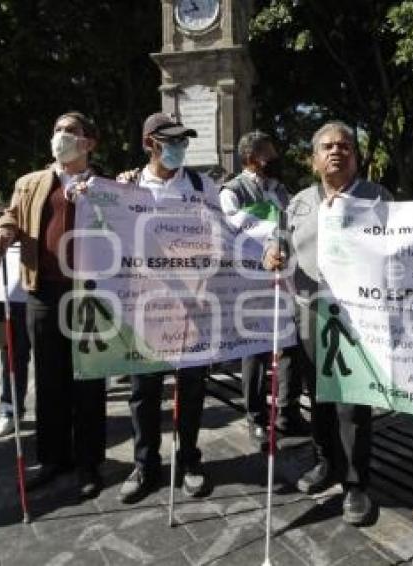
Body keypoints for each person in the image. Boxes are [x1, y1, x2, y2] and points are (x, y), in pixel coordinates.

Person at [264, 121, 392, 526]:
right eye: (327, 147)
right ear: (313, 158)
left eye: (345, 146)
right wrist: (273, 253)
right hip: (308, 312)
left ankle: (356, 484)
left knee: (351, 403)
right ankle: (325, 463)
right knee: (317, 397)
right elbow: (279, 241)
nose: (337, 151)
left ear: (355, 155)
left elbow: (403, 244)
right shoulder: (299, 202)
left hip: (357, 316)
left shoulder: (378, 198)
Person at [0, 111, 107, 499]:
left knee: (89, 379)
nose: (62, 136)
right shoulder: (30, 182)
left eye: (71, 131)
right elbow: (10, 216)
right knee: (50, 378)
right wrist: (1, 232)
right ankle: (53, 459)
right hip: (42, 291)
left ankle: (88, 463)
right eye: (58, 130)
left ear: (89, 143)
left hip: (90, 293)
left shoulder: (106, 185)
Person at [115, 112, 215, 504]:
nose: (179, 148)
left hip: (192, 304)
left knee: (191, 388)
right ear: (148, 144)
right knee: (144, 390)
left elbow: (224, 231)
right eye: (170, 141)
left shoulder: (201, 184)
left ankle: (189, 460)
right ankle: (145, 464)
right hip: (144, 306)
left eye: (183, 141)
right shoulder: (127, 186)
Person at [219, 130, 306, 450]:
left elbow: (294, 222)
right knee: (255, 349)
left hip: (285, 278)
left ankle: (287, 411)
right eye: (268, 152)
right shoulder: (231, 191)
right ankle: (256, 416)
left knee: (290, 345)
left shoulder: (280, 190)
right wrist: (273, 237)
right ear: (250, 157)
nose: (275, 158)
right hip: (251, 279)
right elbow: (232, 229)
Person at [0, 242, 31, 438]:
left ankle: (55, 412)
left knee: (51, 360)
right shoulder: (7, 222)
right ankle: (10, 409)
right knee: (12, 360)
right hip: (9, 300)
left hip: (46, 295)